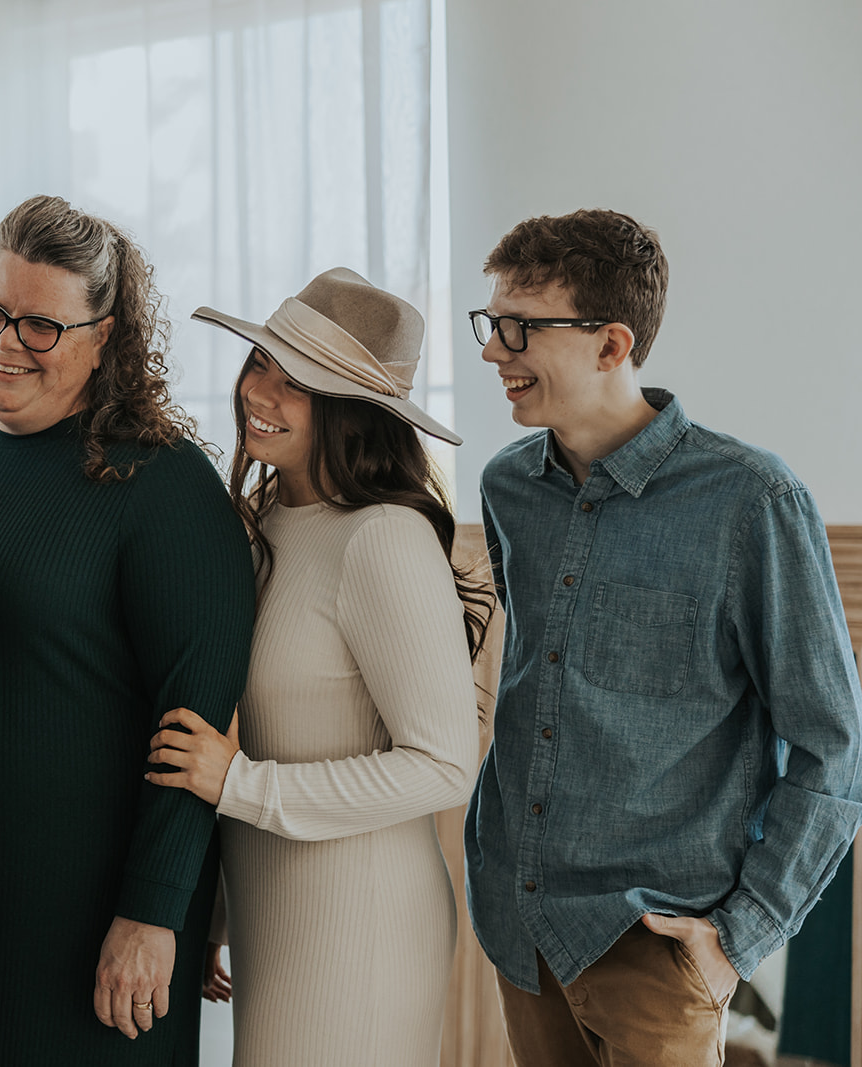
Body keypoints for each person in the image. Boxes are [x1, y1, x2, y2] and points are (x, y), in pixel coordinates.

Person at [465, 208, 862, 1066]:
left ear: (612, 344)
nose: (495, 351)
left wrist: (737, 940)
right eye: (490, 324)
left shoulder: (752, 501)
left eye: (521, 327)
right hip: (522, 929)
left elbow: (833, 745)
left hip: (656, 945)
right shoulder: (508, 489)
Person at [0, 194, 253, 1065]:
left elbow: (194, 719)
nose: (4, 342)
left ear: (106, 337)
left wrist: (154, 909)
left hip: (90, 915)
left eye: (40, 326)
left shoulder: (163, 485)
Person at [146, 268, 491, 1065]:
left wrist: (240, 785)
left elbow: (444, 765)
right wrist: (217, 914)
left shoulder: (383, 538)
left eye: (297, 381)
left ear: (352, 411)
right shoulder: (265, 519)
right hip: (274, 913)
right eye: (261, 361)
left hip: (361, 924)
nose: (259, 391)